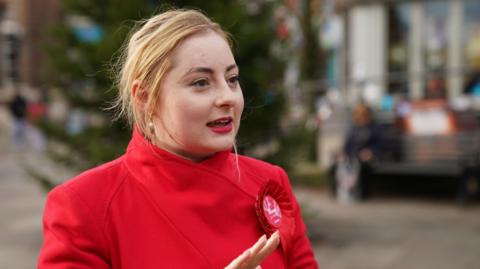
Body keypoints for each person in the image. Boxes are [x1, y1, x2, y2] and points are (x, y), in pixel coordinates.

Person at [38, 9, 318, 269]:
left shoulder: (269, 183)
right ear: (145, 97)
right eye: (200, 82)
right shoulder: (84, 206)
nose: (227, 97)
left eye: (232, 79)